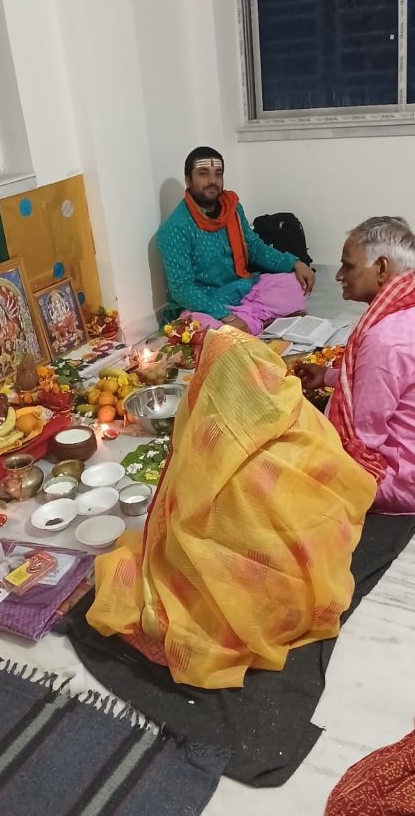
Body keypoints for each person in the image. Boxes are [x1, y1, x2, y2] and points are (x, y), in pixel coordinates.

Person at [86, 327, 375, 689]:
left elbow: (186, 519)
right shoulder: (302, 419)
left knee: (168, 557)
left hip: (246, 593)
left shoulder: (211, 445)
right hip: (308, 581)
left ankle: (243, 607)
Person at [296, 216, 415, 513]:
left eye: (348, 266)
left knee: (280, 457)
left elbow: (362, 439)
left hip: (400, 479)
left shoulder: (382, 339)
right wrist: (329, 376)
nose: (338, 275)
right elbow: (392, 381)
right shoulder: (404, 311)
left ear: (382, 268)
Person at [157, 146, 315, 335]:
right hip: (205, 301)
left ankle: (246, 322)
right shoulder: (176, 228)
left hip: (241, 289)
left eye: (218, 174)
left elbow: (254, 247)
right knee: (195, 325)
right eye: (203, 174)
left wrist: (294, 262)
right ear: (188, 180)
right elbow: (182, 289)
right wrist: (226, 315)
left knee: (293, 284)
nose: (212, 181)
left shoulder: (231, 208)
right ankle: (251, 320)